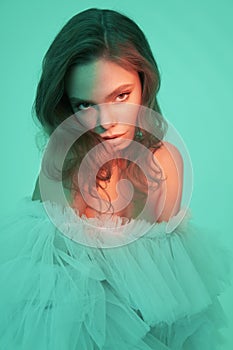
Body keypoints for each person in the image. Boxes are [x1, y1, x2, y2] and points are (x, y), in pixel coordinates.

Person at [0, 8, 231, 350]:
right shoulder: (64, 159)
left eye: (120, 96)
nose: (106, 121)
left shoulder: (164, 160)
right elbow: (48, 304)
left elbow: (166, 300)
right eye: (85, 105)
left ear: (144, 82)